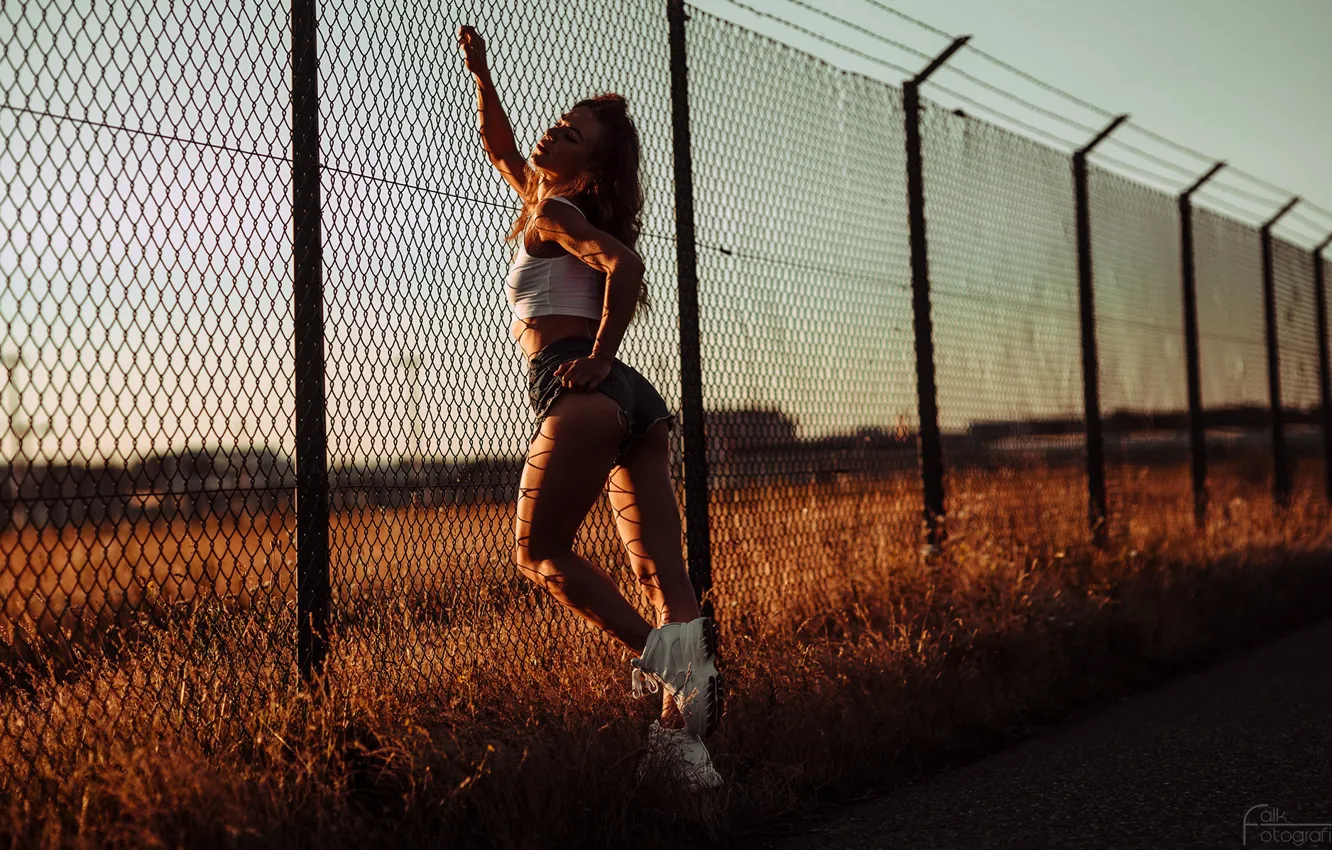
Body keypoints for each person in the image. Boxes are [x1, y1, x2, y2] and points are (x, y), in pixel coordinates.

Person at [458, 24, 724, 789]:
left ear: (591, 162)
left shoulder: (558, 217)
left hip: (581, 385)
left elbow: (625, 266)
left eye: (570, 132)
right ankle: (682, 745)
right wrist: (483, 75)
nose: (553, 129)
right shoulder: (551, 203)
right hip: (634, 401)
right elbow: (500, 148)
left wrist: (600, 352)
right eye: (559, 120)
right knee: (661, 572)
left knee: (539, 555)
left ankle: (678, 677)